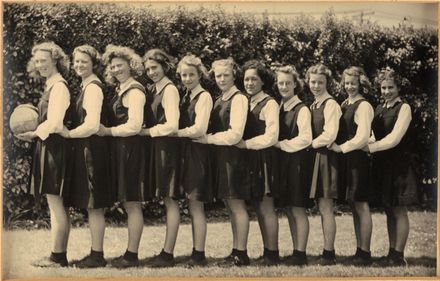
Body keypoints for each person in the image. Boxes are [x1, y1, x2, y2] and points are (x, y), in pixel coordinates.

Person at [59, 45, 115, 268]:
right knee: (92, 204)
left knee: (95, 205)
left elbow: (92, 125)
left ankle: (98, 256)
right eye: (77, 61)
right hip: (87, 149)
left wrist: (69, 134)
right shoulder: (85, 86)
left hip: (93, 150)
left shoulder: (93, 88)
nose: (79, 65)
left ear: (93, 63)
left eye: (84, 61)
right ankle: (95, 253)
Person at [18, 41, 72, 267]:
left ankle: (58, 257)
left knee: (56, 203)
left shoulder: (59, 86)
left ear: (56, 60)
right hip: (48, 145)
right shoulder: (50, 84)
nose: (40, 65)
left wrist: (34, 133)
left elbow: (56, 122)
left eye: (44, 60)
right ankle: (56, 254)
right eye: (37, 61)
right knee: (54, 203)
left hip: (55, 147)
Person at [195, 58, 250, 266]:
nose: (222, 79)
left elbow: (235, 135)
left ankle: (241, 253)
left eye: (226, 75)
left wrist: (207, 139)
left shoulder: (239, 99)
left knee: (237, 205)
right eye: (218, 75)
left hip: (234, 158)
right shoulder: (220, 98)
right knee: (229, 205)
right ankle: (235, 250)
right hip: (221, 157)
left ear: (234, 75)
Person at [363, 68, 418, 266]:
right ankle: (391, 252)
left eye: (390, 87)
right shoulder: (379, 108)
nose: (386, 91)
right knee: (388, 209)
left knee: (399, 209)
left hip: (399, 165)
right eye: (383, 88)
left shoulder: (404, 108)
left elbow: (394, 139)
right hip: (382, 164)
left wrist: (370, 148)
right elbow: (372, 135)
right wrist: (364, 143)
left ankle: (399, 255)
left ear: (398, 88)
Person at [98, 44, 146, 268]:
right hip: (120, 150)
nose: (116, 69)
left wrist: (108, 131)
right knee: (128, 202)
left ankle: (132, 255)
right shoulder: (121, 89)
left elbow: (135, 126)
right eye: (113, 67)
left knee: (132, 203)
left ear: (131, 65)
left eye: (120, 65)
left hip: (130, 151)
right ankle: (129, 252)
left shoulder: (135, 90)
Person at [140, 49, 182, 268]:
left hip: (168, 149)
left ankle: (168, 253)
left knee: (170, 199)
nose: (151, 72)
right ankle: (166, 251)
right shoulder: (152, 89)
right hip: (157, 148)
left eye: (154, 67)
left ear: (165, 66)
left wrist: (147, 132)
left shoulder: (170, 89)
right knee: (166, 199)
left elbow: (173, 125)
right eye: (147, 69)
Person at [329, 66, 374, 266]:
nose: (349, 87)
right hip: (347, 159)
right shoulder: (345, 104)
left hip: (357, 160)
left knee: (361, 205)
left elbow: (363, 136)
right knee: (354, 205)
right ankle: (359, 249)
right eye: (346, 83)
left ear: (361, 84)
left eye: (353, 83)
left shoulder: (363, 106)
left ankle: (365, 252)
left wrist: (341, 148)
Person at [237, 60, 280, 265]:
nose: (250, 83)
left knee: (266, 206)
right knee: (257, 206)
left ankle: (272, 253)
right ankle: (267, 251)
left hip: (264, 158)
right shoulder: (246, 101)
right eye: (246, 79)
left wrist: (246, 144)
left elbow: (272, 136)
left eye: (254, 79)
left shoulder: (269, 103)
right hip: (249, 159)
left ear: (263, 81)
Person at [175, 54, 214, 267]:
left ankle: (199, 254)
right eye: (183, 75)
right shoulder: (186, 96)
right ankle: (195, 251)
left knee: (196, 205)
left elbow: (200, 129)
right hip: (186, 152)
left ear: (200, 75)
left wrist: (175, 133)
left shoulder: (204, 97)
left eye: (191, 74)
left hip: (198, 154)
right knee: (191, 205)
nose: (187, 78)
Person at [274, 65, 312, 266]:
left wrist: (281, 145)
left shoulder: (302, 109)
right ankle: (296, 250)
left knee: (297, 208)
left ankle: (301, 253)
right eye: (281, 83)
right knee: (288, 208)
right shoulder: (280, 107)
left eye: (288, 83)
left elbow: (305, 139)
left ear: (295, 84)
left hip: (297, 163)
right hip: (283, 164)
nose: (284, 86)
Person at [306, 63, 342, 265]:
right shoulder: (313, 105)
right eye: (313, 82)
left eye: (320, 82)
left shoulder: (331, 104)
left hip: (326, 159)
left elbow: (330, 135)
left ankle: (329, 253)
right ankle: (327, 251)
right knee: (321, 207)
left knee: (326, 207)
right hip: (314, 158)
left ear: (327, 83)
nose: (316, 86)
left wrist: (307, 144)